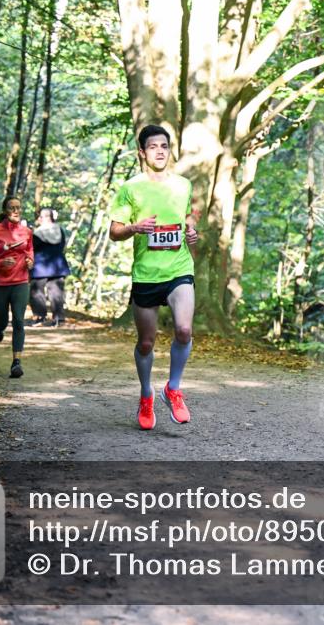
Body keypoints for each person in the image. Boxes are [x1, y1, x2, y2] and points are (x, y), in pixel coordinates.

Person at [108, 124, 199, 430]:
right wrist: (134, 228)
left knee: (184, 329)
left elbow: (187, 216)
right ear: (142, 153)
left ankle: (173, 388)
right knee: (146, 342)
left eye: (164, 146)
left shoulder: (183, 185)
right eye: (153, 147)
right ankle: (146, 393)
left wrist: (191, 230)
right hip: (146, 274)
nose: (159, 151)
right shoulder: (130, 188)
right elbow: (114, 232)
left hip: (179, 268)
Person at [0, 196, 34, 378]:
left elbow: (30, 250)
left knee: (19, 320)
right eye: (12, 208)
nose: (16, 211)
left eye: (19, 208)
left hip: (20, 281)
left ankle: (16, 363)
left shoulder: (27, 232)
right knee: (2, 320)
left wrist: (30, 260)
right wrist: (0, 262)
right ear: (5, 211)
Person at [29, 207, 71, 327]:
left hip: (40, 266)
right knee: (57, 292)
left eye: (41, 217)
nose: (39, 219)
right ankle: (59, 319)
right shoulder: (60, 230)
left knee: (36, 292)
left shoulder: (38, 233)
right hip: (58, 265)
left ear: (46, 218)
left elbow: (33, 248)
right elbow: (62, 245)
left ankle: (39, 317)